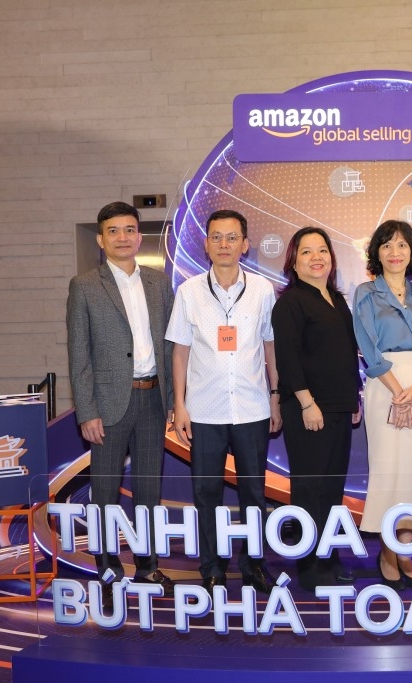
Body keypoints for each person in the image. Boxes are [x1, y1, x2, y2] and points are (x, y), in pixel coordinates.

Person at [166, 209, 281, 596]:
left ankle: (254, 566)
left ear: (245, 245)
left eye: (232, 237)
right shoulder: (189, 291)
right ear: (206, 244)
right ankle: (212, 567)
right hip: (204, 409)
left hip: (252, 407)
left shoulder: (262, 290)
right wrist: (180, 404)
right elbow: (180, 351)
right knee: (206, 493)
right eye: (216, 237)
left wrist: (276, 397)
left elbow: (270, 347)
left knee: (254, 493)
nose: (224, 244)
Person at [67, 201, 175, 608]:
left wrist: (173, 401)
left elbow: (169, 345)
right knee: (105, 493)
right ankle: (108, 572)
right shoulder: (84, 286)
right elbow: (79, 354)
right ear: (101, 239)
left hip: (153, 400)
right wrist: (86, 410)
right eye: (113, 231)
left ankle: (148, 567)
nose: (123, 237)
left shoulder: (158, 283)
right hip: (108, 405)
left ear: (139, 236)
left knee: (149, 490)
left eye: (130, 229)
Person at [352, 220, 412, 588]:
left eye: (402, 245)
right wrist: (396, 388)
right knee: (388, 468)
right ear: (377, 252)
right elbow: (367, 345)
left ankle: (404, 549)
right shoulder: (366, 292)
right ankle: (388, 550)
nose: (395, 252)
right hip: (384, 386)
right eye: (387, 245)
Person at [271, 227, 362, 591]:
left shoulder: (336, 300)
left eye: (322, 250)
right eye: (306, 252)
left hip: (339, 406)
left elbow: (345, 354)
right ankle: (309, 567)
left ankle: (329, 556)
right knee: (310, 488)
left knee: (332, 487)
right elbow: (288, 358)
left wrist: (353, 397)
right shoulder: (291, 302)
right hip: (308, 409)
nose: (316, 257)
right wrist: (307, 402)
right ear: (294, 261)